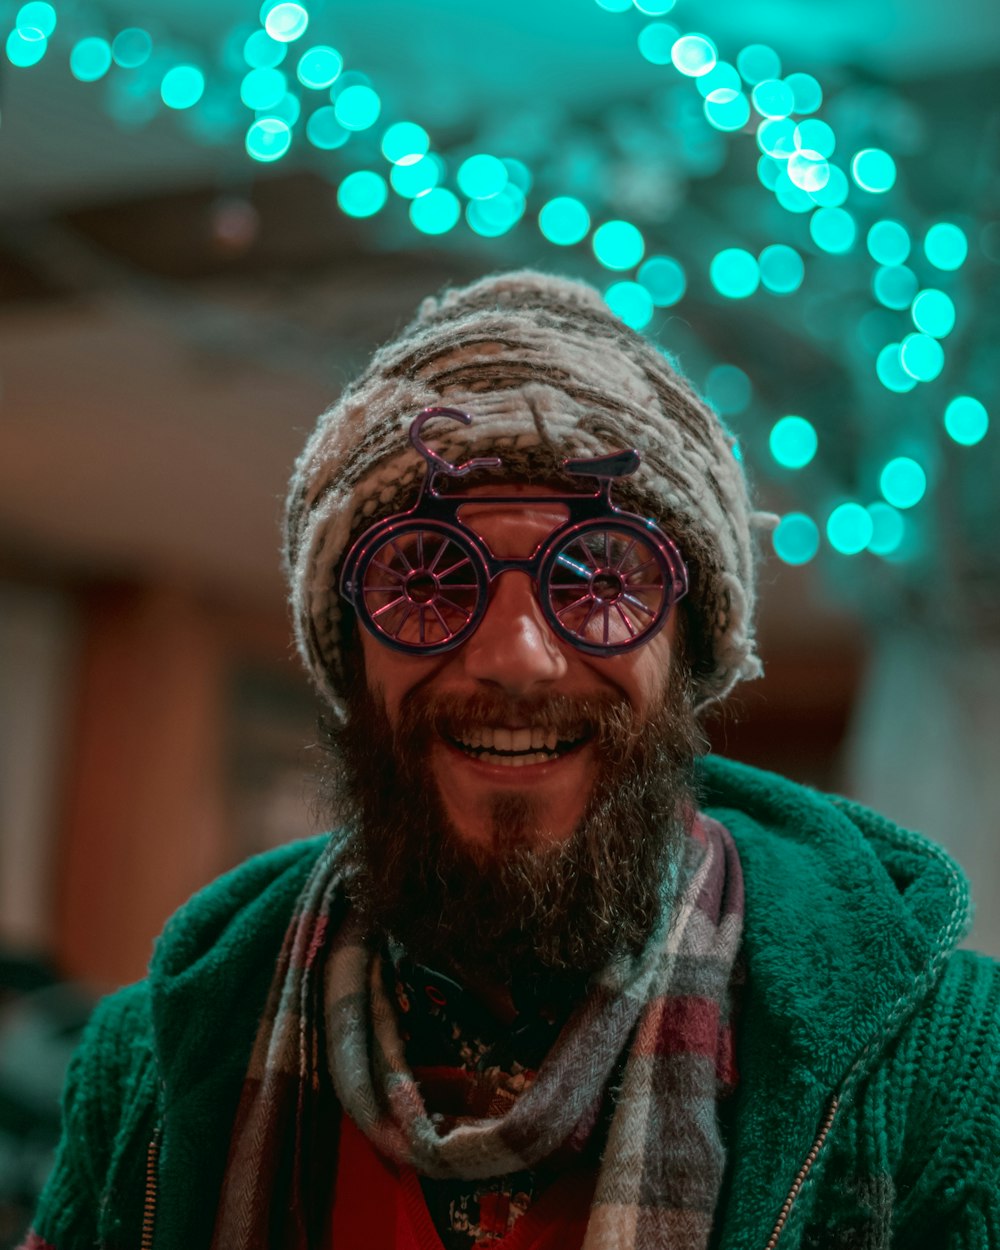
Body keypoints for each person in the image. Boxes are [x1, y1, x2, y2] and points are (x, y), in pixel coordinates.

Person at [23, 271, 1000, 1250]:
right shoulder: (153, 1062)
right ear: (347, 655)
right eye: (424, 575)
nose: (514, 656)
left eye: (601, 577)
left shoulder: (944, 1067)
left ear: (687, 651)